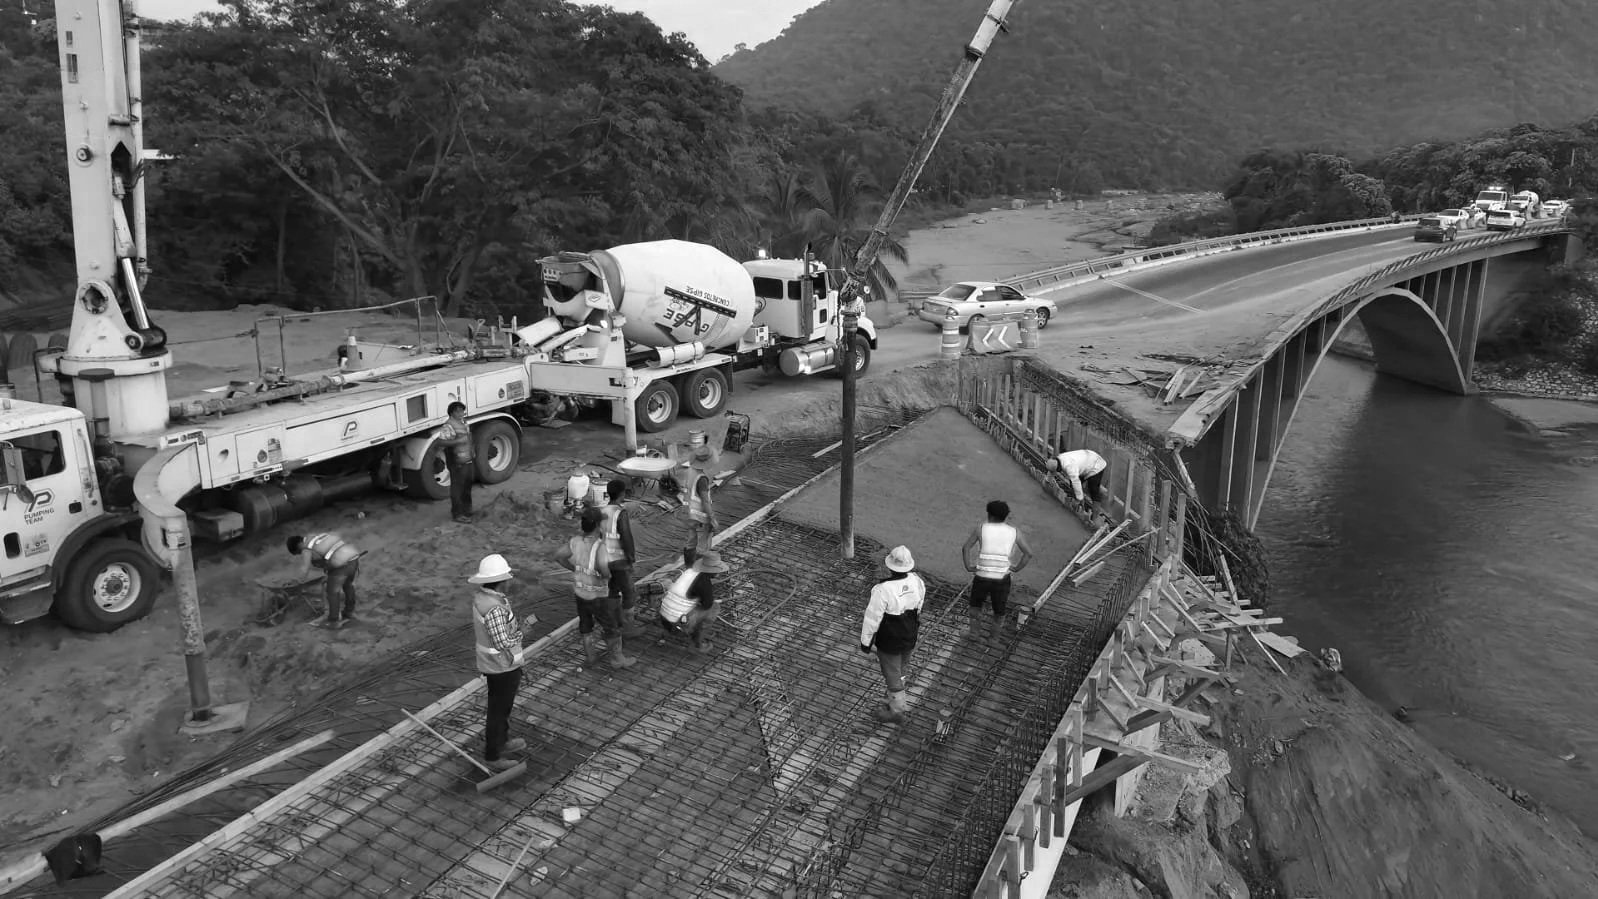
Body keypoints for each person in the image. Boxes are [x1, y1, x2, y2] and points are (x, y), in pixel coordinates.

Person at [468, 553, 535, 771]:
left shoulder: (485, 597)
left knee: (502, 707)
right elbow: (502, 641)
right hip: (500, 665)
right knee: (497, 711)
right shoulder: (494, 607)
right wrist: (522, 633)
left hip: (497, 664)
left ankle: (502, 742)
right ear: (501, 580)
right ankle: (493, 755)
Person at [555, 507, 636, 670]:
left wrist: (574, 569)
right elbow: (603, 569)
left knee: (586, 626)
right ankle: (617, 659)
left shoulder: (575, 541)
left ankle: (591, 657)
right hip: (597, 596)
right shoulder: (599, 546)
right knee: (611, 627)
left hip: (580, 593)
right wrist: (607, 576)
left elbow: (559, 556)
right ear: (598, 525)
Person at [860, 545, 926, 724]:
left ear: (890, 567)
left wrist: (866, 642)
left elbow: (872, 618)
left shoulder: (883, 589)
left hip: (890, 638)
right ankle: (894, 699)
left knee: (891, 673)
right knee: (901, 668)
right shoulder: (916, 581)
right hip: (909, 633)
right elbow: (919, 605)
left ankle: (897, 711)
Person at [960, 500, 1034, 642]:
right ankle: (994, 638)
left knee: (975, 606)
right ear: (1006, 516)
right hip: (1002, 578)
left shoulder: (981, 528)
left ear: (989, 515)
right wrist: (1016, 568)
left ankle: (974, 634)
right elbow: (1028, 554)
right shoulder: (1014, 532)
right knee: (999, 610)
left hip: (981, 577)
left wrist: (968, 567)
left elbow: (966, 548)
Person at [599, 479, 649, 638]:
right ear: (622, 494)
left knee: (613, 590)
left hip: (606, 559)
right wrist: (631, 557)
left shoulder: (602, 511)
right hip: (620, 560)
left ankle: (614, 623)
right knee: (629, 593)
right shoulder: (621, 513)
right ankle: (628, 628)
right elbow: (626, 537)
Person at [657, 550, 730, 654]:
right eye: (717, 570)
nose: (718, 572)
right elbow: (707, 605)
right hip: (678, 619)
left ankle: (669, 630)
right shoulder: (705, 584)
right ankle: (697, 644)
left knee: (691, 604)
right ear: (711, 571)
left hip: (664, 615)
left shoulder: (689, 572)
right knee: (714, 608)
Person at [286, 532, 364, 629]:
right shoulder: (315, 537)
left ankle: (334, 621)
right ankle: (349, 612)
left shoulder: (306, 549)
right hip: (353, 558)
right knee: (348, 586)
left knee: (332, 592)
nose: (300, 554)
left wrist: (297, 582)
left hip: (342, 565)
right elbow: (328, 553)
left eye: (298, 552)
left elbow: (305, 568)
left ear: (298, 546)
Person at [433, 401, 475, 523]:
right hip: (456, 461)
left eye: (463, 411)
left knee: (467, 484)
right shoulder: (448, 426)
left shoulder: (463, 423)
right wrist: (457, 442)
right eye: (460, 411)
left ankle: (467, 510)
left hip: (467, 459)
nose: (462, 413)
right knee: (458, 487)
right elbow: (440, 442)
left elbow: (468, 437)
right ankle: (457, 514)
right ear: (453, 412)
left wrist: (472, 450)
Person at [678, 444, 719, 566]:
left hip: (688, 513)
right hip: (700, 517)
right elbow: (705, 501)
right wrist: (712, 519)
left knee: (690, 542)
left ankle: (689, 568)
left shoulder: (690, 471)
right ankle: (699, 570)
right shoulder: (702, 479)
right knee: (702, 546)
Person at [1047, 449, 1109, 519]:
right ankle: (1079, 507)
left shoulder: (1069, 467)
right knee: (1074, 486)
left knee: (1093, 489)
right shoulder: (1058, 459)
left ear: (1057, 469)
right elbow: (1051, 471)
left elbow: (1076, 482)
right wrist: (1047, 480)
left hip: (1096, 464)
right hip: (1084, 462)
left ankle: (1095, 516)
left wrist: (1079, 499)